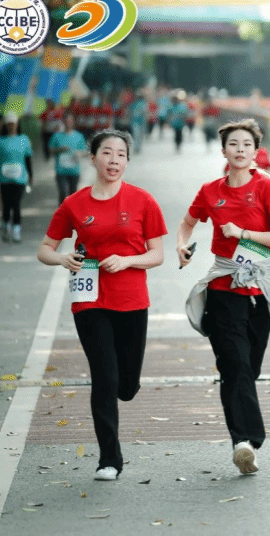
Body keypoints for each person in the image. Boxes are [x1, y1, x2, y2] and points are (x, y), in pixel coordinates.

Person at [36, 129, 167, 480]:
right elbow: (45, 249)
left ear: (127, 161)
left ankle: (127, 386)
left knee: (126, 385)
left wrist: (128, 261)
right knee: (104, 377)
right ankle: (109, 459)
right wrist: (62, 258)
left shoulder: (143, 200)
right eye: (107, 153)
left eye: (121, 154)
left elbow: (157, 254)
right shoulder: (74, 204)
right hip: (90, 300)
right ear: (92, 158)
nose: (114, 160)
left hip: (132, 299)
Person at [178, 118, 270, 475]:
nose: (240, 150)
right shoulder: (210, 191)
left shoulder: (269, 188)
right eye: (233, 144)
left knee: (248, 368)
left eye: (246, 144)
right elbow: (187, 223)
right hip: (223, 289)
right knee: (234, 365)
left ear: (256, 150)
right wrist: (182, 245)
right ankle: (244, 442)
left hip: (259, 291)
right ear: (223, 150)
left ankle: (244, 437)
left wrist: (243, 233)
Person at [0, 112, 33, 243]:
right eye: (9, 124)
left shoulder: (24, 139)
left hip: (20, 178)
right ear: (6, 125)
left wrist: (31, 174)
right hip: (4, 178)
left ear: (17, 124)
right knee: (6, 203)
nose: (11, 126)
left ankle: (16, 229)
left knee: (16, 203)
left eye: (13, 124)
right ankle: (6, 224)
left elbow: (28, 158)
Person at [48, 112, 86, 204]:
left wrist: (79, 154)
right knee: (63, 192)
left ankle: (71, 212)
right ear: (63, 121)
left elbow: (84, 151)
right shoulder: (56, 136)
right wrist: (60, 149)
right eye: (67, 120)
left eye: (70, 121)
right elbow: (50, 150)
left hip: (74, 170)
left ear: (73, 122)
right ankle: (62, 211)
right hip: (61, 171)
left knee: (73, 194)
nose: (68, 122)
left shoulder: (79, 136)